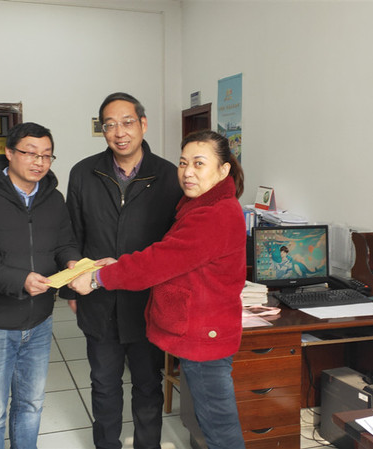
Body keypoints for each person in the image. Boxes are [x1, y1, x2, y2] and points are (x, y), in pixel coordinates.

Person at [70, 130, 247, 449]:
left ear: (223, 170)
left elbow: (158, 262)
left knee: (219, 427)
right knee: (212, 420)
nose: (187, 172)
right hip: (201, 329)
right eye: (183, 162)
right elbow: (173, 254)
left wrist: (98, 278)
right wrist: (118, 263)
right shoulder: (199, 205)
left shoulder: (214, 213)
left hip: (204, 333)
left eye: (199, 163)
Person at [65, 92, 183, 449]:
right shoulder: (84, 172)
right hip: (99, 301)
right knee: (104, 384)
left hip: (148, 302)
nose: (119, 132)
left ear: (143, 124)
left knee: (148, 384)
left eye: (127, 122)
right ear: (102, 130)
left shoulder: (169, 176)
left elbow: (175, 245)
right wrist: (71, 288)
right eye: (110, 125)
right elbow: (71, 236)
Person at [0, 122, 81, 448]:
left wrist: (72, 262)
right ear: (9, 153)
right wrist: (20, 281)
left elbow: (64, 244)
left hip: (40, 321)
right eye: (30, 153)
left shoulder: (53, 199)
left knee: (31, 404)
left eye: (46, 155)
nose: (39, 162)